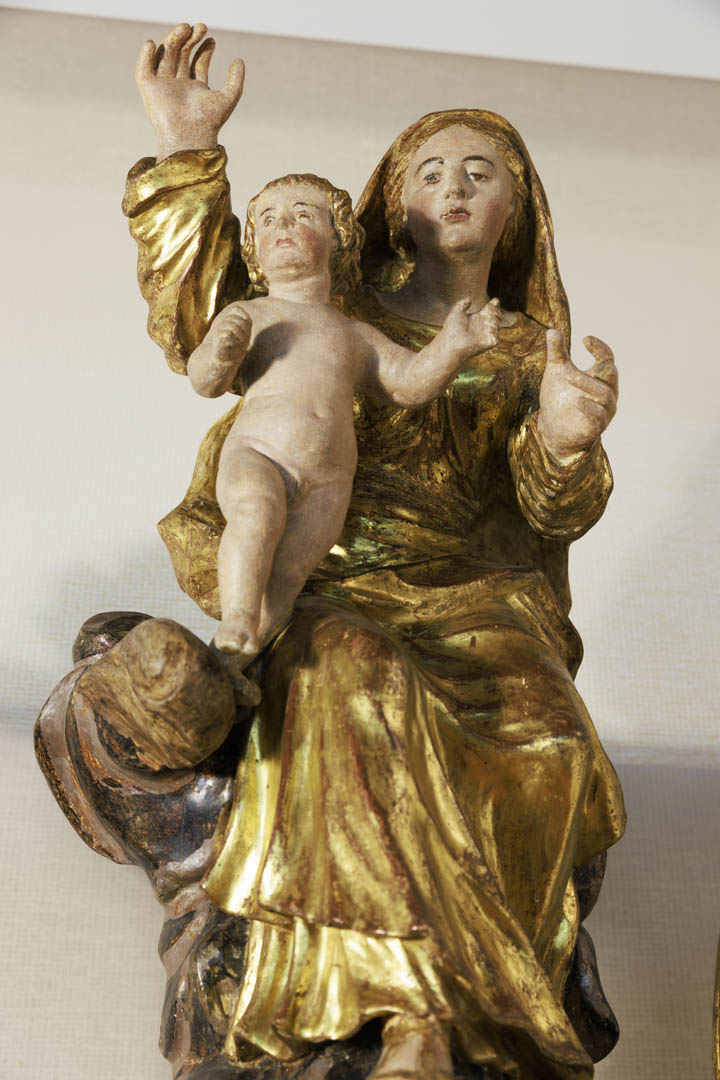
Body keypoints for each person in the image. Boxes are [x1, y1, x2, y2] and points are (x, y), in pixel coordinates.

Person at [120, 22, 626, 1080]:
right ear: (392, 200)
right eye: (429, 171)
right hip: (332, 575)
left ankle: (487, 1025)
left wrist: (567, 441)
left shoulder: (524, 349)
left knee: (551, 737)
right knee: (350, 678)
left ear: (518, 208)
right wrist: (186, 155)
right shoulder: (336, 305)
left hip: (481, 605)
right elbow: (204, 323)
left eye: (480, 173)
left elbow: (548, 510)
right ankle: (406, 1018)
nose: (453, 187)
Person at [189, 171, 502, 663]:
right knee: (255, 513)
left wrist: (454, 345)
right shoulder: (250, 315)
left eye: (302, 215)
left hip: (330, 480)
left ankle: (234, 663)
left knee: (290, 573)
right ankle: (237, 619)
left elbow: (408, 383)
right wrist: (222, 353)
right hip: (259, 453)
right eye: (268, 220)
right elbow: (204, 380)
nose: (282, 225)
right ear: (253, 248)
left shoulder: (352, 333)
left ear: (338, 239)